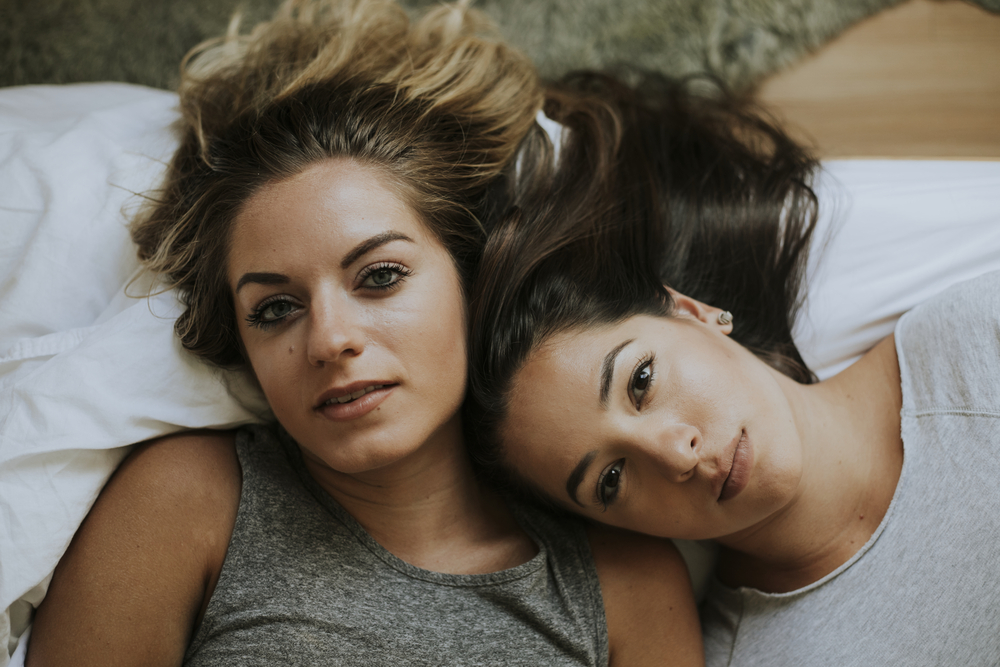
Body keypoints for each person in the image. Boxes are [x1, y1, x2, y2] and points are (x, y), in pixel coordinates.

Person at [24, 1, 702, 665]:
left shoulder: (623, 581)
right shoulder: (189, 500)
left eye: (378, 276)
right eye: (275, 310)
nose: (328, 339)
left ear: (468, 276)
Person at [464, 73, 1000, 665]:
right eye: (610, 480)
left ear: (691, 311)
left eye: (640, 382)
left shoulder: (979, 342)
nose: (675, 454)